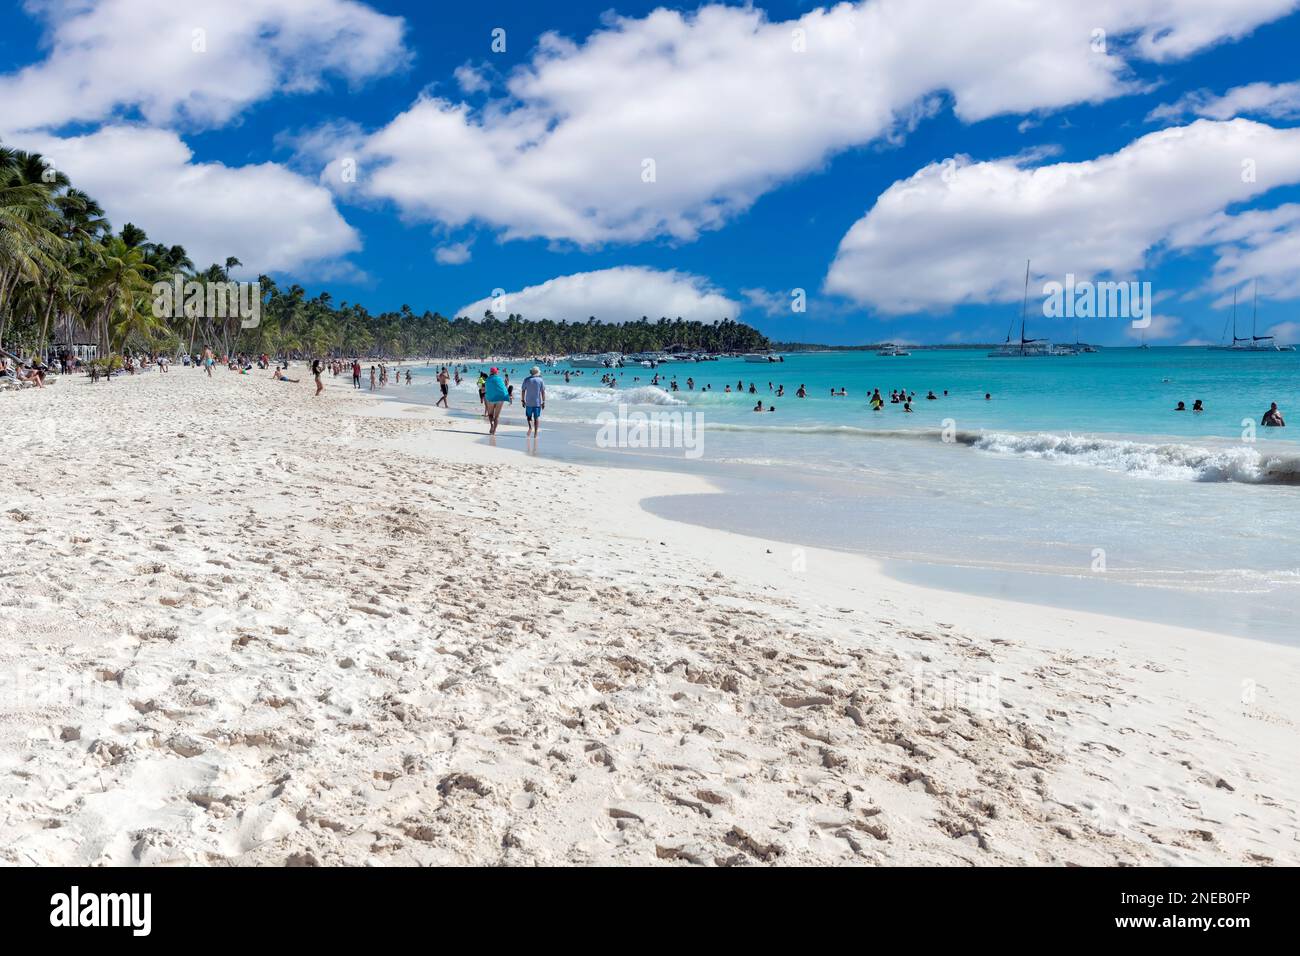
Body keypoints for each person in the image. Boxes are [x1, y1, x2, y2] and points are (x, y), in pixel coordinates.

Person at [521, 365, 546, 436]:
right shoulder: (540, 380)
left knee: (528, 417)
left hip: (528, 402)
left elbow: (523, 390)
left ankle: (530, 427)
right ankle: (535, 433)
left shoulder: (526, 379)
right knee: (536, 418)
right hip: (537, 402)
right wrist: (543, 402)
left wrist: (522, 400)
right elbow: (543, 392)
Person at [484, 367, 509, 435]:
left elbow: (486, 390)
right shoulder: (500, 379)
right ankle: (494, 430)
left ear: (490, 372)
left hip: (491, 399)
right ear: (496, 372)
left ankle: (492, 425)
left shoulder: (487, 379)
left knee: (490, 414)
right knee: (497, 416)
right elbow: (503, 388)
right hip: (500, 398)